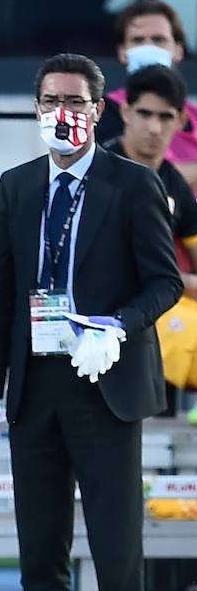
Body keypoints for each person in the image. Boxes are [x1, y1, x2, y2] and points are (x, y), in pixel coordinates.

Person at [0, 53, 182, 591]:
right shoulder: (18, 186)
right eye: (50, 99)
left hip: (105, 383)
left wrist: (115, 326)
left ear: (99, 111)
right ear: (36, 108)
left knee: (116, 548)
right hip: (36, 384)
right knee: (40, 548)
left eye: (76, 100)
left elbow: (165, 281)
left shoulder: (132, 184)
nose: (62, 112)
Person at [102, 64, 197, 417]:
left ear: (180, 121)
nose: (154, 128)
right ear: (125, 111)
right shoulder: (93, 170)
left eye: (165, 116)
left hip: (155, 309)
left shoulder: (175, 186)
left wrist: (180, 283)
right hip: (95, 312)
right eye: (144, 113)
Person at [94, 0, 197, 190]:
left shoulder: (194, 116)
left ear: (178, 50)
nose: (148, 48)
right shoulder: (103, 113)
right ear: (123, 52)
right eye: (138, 40)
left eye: (158, 40)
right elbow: (136, 175)